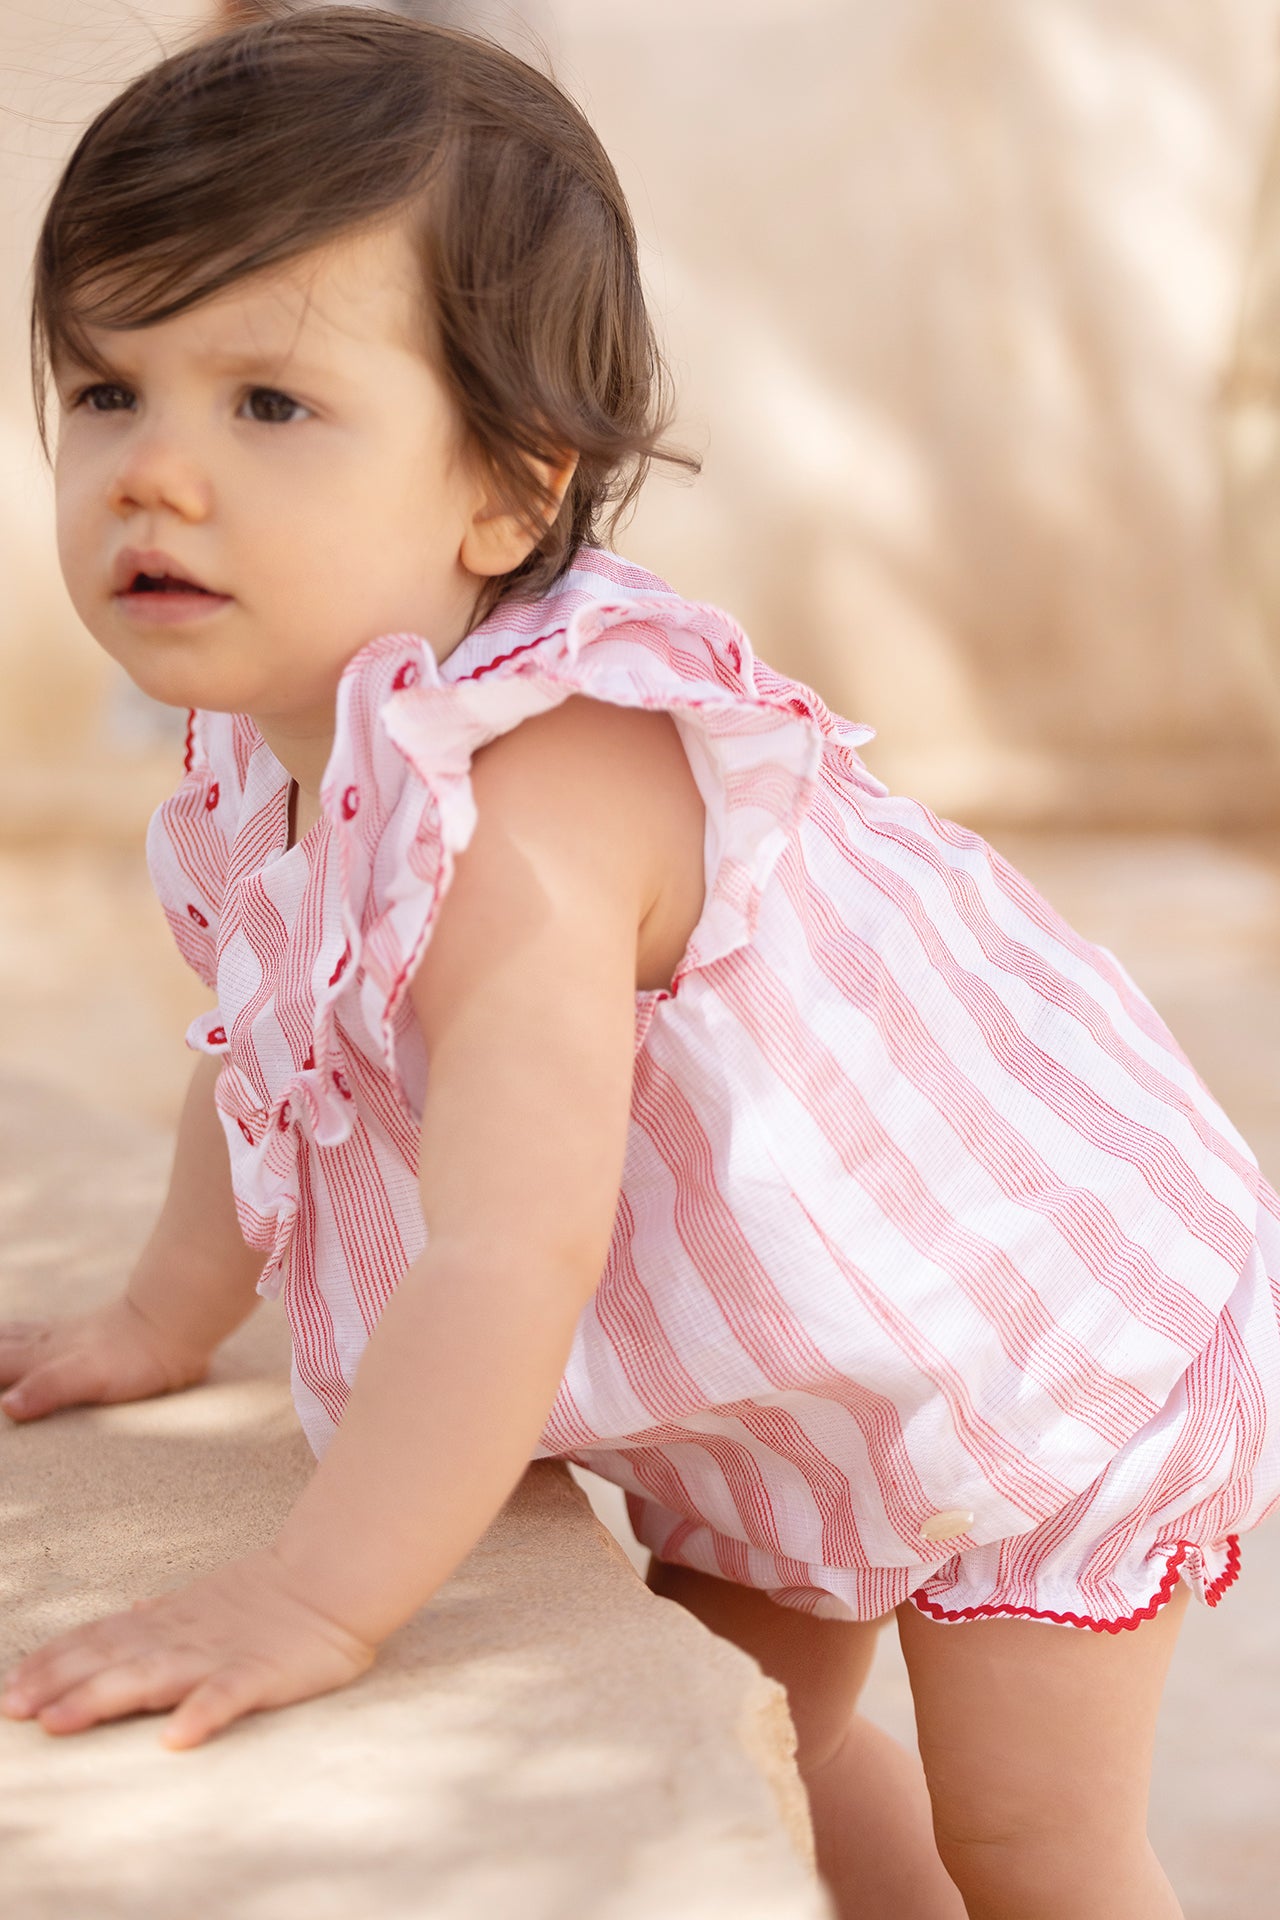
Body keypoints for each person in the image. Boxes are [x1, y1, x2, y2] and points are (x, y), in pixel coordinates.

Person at [0, 12, 1274, 1918]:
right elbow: (273, 1039)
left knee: (1030, 1835)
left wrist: (317, 1598)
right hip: (787, 1356)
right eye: (108, 389)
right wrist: (163, 1319)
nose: (155, 475)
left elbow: (512, 1251)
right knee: (764, 1743)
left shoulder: (535, 804)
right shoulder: (284, 735)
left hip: (1023, 1319)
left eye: (267, 404)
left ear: (510, 491)